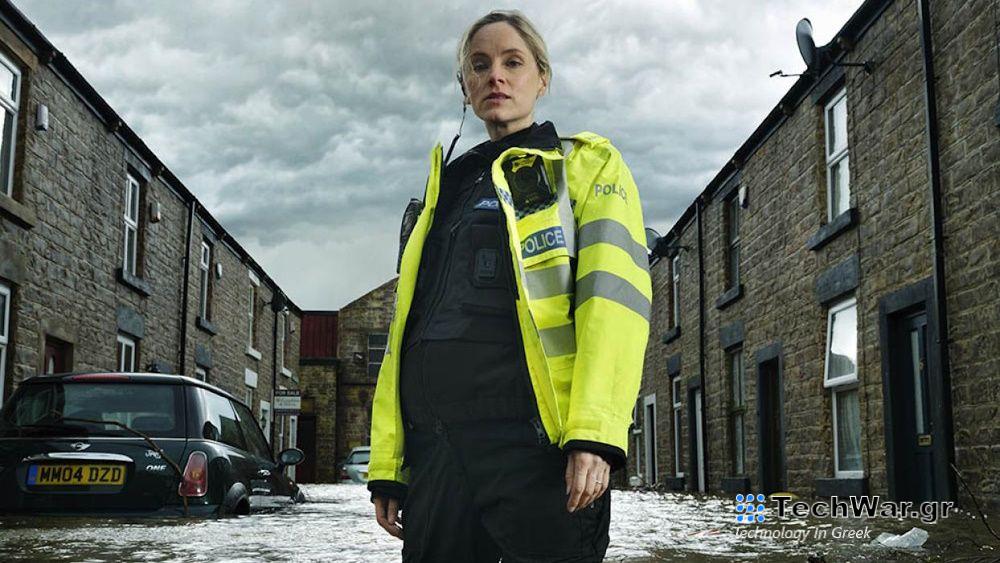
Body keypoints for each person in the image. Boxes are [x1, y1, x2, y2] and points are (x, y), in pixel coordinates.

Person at [368, 10, 651, 562]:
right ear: (466, 88)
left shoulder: (584, 168)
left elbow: (613, 306)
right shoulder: (440, 192)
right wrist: (391, 466)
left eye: (512, 62)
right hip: (440, 450)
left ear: (541, 79)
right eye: (480, 65)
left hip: (534, 450)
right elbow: (406, 331)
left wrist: (593, 435)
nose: (496, 75)